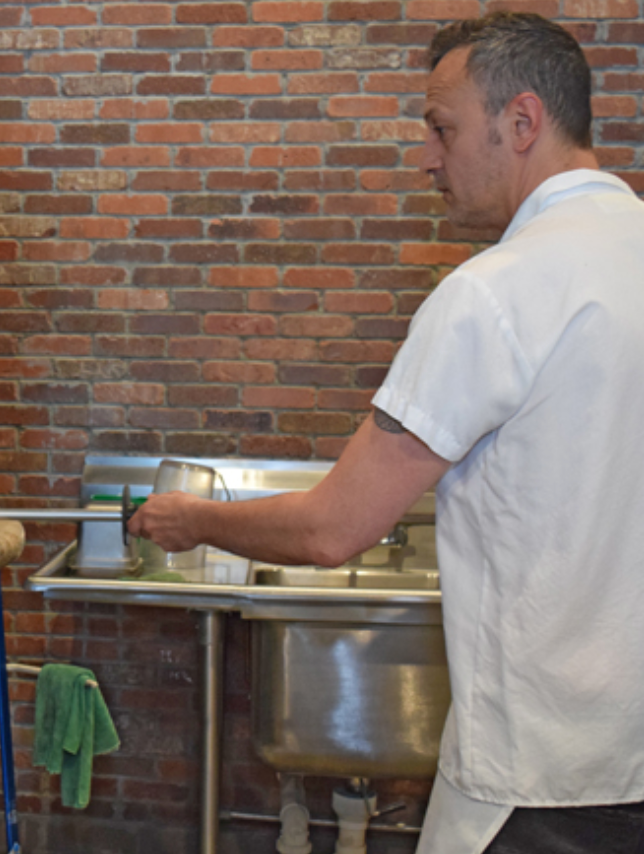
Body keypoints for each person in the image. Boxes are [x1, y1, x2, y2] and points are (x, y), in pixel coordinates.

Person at [127, 12, 644, 854]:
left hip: (542, 786)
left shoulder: (495, 294)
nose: (427, 159)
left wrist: (197, 520)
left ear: (521, 122)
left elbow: (335, 529)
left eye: (442, 129)